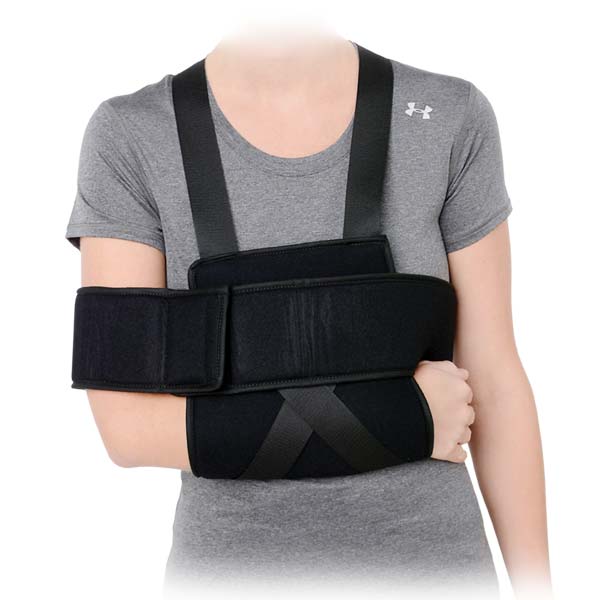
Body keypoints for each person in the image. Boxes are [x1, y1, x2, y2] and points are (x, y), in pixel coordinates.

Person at [66, 24, 550, 598]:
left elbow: (493, 380)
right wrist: (406, 418)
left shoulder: (449, 115)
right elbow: (127, 428)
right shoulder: (130, 135)